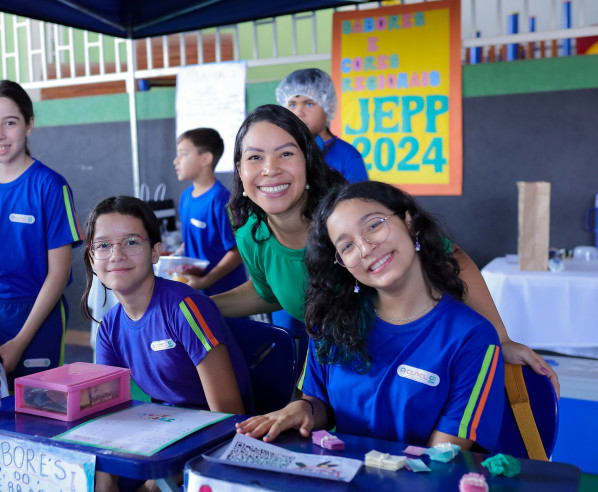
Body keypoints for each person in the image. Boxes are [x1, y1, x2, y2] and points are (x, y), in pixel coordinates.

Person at [212, 104, 559, 394]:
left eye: (285, 153)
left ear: (307, 160)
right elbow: (272, 293)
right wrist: (191, 302)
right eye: (255, 158)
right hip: (345, 376)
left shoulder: (349, 216)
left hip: (419, 367)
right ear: (240, 170)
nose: (270, 169)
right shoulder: (251, 234)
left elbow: (449, 256)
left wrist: (500, 337)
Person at [237, 180, 505, 452]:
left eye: (374, 225)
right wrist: (302, 408)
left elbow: (444, 456)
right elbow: (321, 403)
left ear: (409, 222)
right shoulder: (331, 322)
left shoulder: (471, 337)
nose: (365, 248)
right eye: (347, 246)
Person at [81, 195, 251, 491]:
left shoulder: (185, 308)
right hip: (162, 435)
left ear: (156, 252)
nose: (116, 254)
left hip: (215, 441)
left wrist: (161, 478)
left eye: (131, 242)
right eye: (103, 245)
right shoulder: (109, 327)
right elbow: (108, 420)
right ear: (92, 258)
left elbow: (228, 418)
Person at [0, 80, 83, 383]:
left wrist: (20, 342)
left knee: (41, 406)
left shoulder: (50, 185)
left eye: (10, 122)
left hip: (38, 315)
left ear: (29, 125)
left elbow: (58, 274)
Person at [174, 128, 247, 295]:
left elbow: (238, 251)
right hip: (195, 291)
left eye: (183, 154)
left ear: (206, 158)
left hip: (225, 294)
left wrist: (206, 281)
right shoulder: (186, 196)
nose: (175, 161)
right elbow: (192, 240)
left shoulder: (222, 199)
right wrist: (175, 256)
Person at [276, 68, 369, 183]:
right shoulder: (282, 152)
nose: (299, 113)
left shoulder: (349, 157)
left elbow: (359, 200)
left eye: (309, 104)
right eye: (292, 105)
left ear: (328, 106)